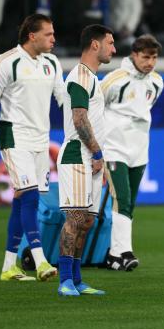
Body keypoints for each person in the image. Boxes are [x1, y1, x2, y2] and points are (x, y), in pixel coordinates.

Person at [0, 13, 63, 282]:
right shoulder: (6, 62)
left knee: (20, 201)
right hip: (14, 139)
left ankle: (8, 266)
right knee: (30, 197)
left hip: (40, 140)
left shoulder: (52, 63)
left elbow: (65, 99)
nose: (53, 39)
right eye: (48, 34)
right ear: (31, 36)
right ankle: (40, 262)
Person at [56, 24, 116, 296]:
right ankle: (65, 280)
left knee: (87, 221)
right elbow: (79, 120)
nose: (113, 49)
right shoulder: (80, 76)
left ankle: (77, 279)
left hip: (90, 158)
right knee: (75, 217)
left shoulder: (92, 78)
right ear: (95, 44)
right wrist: (97, 152)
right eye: (110, 43)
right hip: (77, 156)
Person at [101, 35, 164, 271]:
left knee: (129, 203)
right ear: (134, 55)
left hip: (139, 149)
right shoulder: (114, 80)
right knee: (123, 199)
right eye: (145, 57)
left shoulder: (157, 82)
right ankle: (123, 252)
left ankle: (114, 256)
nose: (150, 62)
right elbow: (93, 106)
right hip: (114, 148)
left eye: (154, 58)